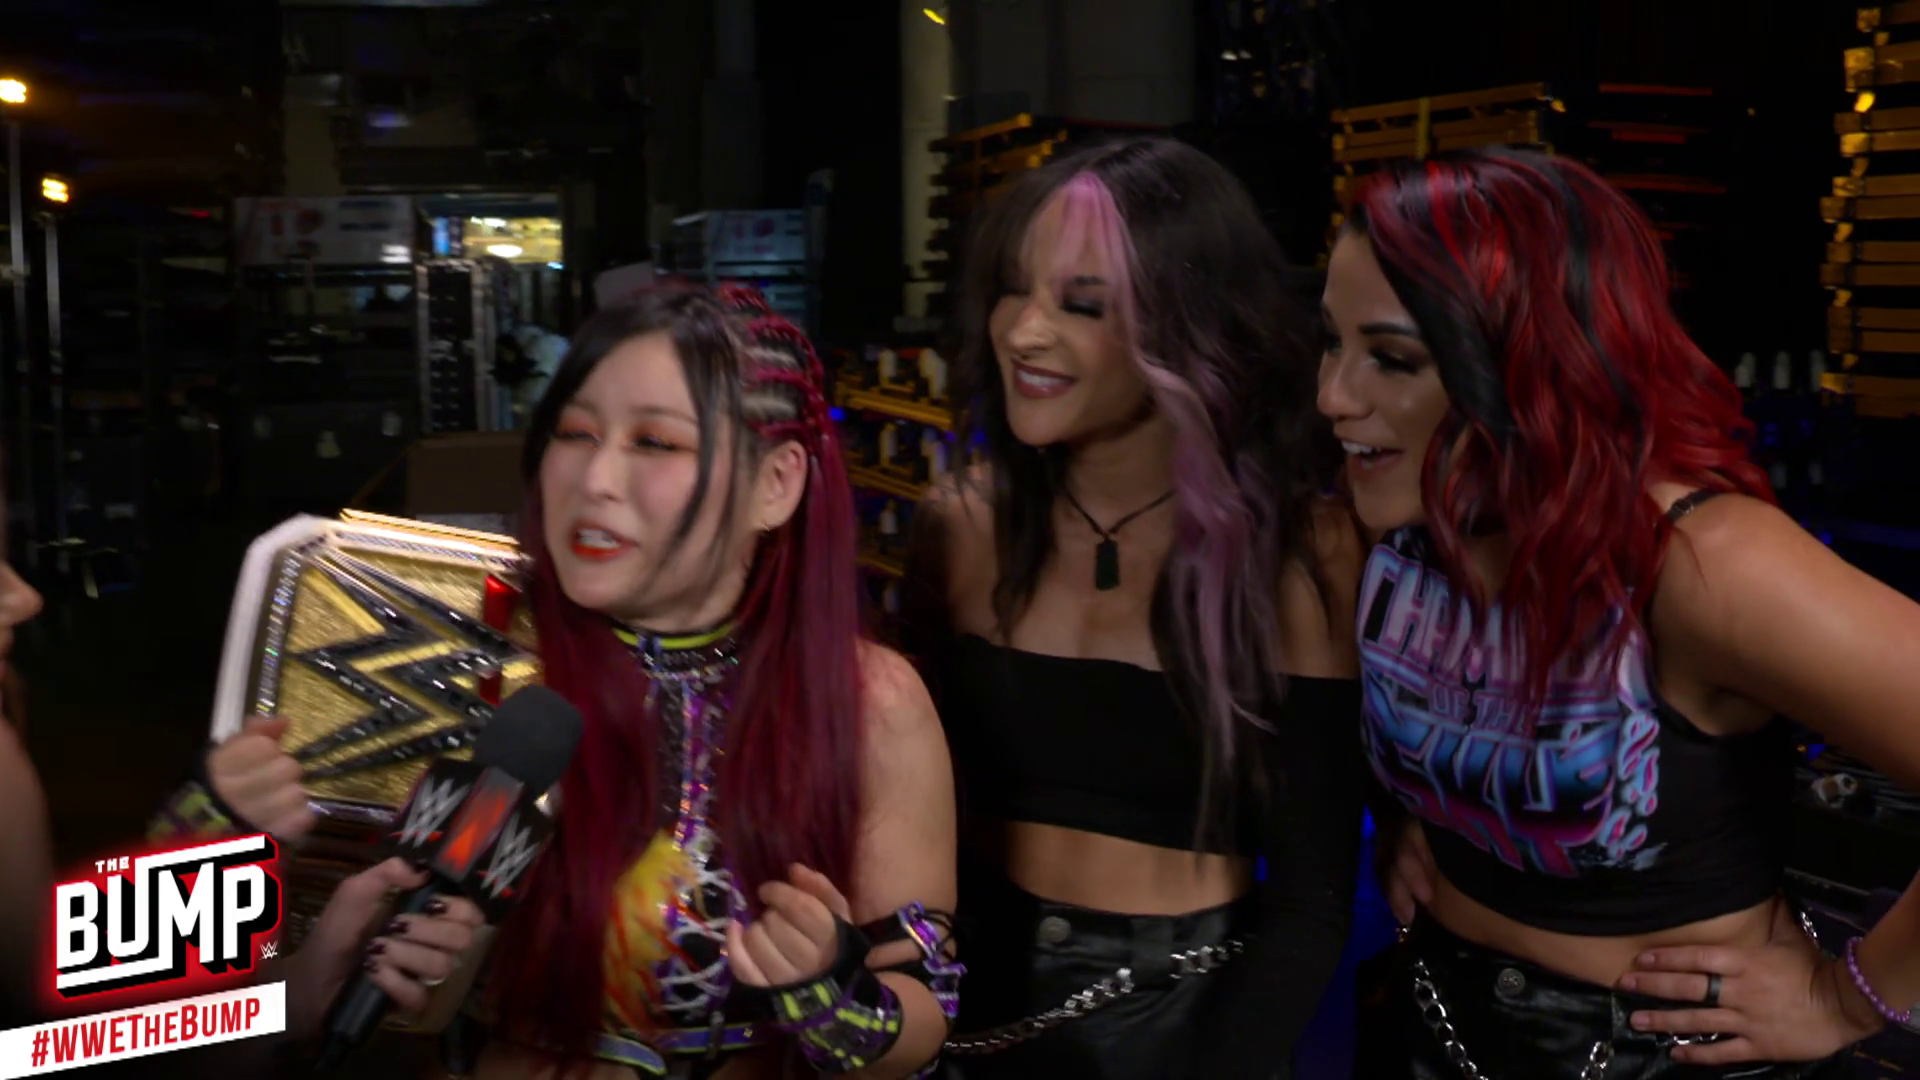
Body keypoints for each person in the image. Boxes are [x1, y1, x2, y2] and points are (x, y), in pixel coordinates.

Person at [188, 284, 962, 1080]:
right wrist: (308, 967)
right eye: (575, 432)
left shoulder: (869, 702)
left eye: (654, 442)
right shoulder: (436, 656)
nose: (595, 478)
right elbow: (196, 1018)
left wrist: (832, 997)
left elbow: (924, 1016)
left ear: (776, 483)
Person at [1320, 148, 1920, 1078]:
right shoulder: (1394, 522)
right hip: (1430, 1026)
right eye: (1331, 342)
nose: (1332, 396)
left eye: (1392, 359)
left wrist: (1850, 996)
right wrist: (1418, 819)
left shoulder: (1705, 565)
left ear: (1532, 365)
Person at [904, 136, 1363, 1080]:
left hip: (1186, 1021)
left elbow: (1312, 898)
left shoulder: (1297, 551)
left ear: (1189, 325)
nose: (1024, 332)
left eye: (1082, 304)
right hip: (966, 1013)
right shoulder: (959, 526)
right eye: (1013, 290)